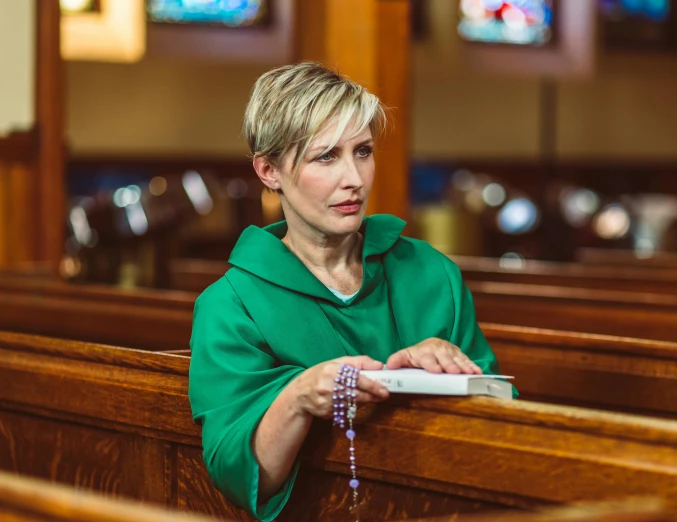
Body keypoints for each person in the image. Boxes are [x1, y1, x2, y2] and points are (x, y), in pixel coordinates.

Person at [188, 62, 513, 522]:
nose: (355, 179)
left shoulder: (431, 273)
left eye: (362, 151)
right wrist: (298, 396)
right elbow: (237, 475)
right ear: (268, 170)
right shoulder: (230, 305)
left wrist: (451, 378)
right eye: (326, 157)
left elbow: (505, 420)